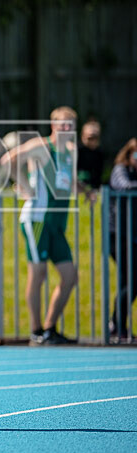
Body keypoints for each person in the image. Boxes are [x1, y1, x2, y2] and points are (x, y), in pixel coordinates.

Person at [1, 106, 81, 346]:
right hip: (36, 220)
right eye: (62, 124)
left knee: (70, 276)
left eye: (70, 125)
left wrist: (86, 192)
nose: (66, 129)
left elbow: (70, 180)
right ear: (53, 125)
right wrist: (24, 186)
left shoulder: (71, 151)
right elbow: (8, 160)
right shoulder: (41, 146)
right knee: (39, 273)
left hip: (57, 223)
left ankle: (49, 328)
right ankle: (36, 330)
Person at [108, 138, 137, 342]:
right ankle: (117, 326)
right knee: (130, 280)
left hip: (133, 235)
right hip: (118, 235)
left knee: (132, 281)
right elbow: (123, 186)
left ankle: (119, 326)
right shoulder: (120, 169)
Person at [77, 119, 105, 197]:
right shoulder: (76, 151)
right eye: (90, 137)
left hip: (95, 194)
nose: (93, 141)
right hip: (78, 192)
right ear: (82, 135)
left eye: (96, 137)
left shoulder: (99, 153)